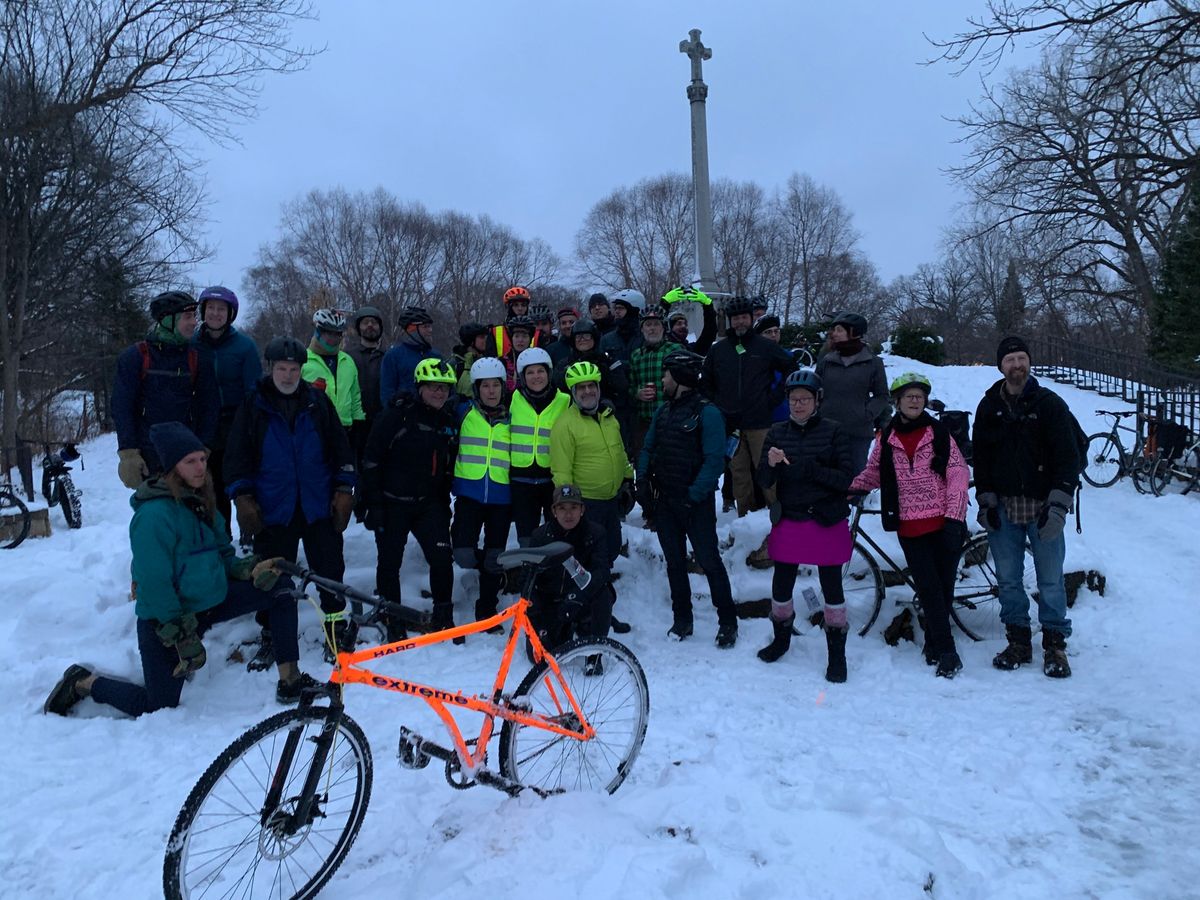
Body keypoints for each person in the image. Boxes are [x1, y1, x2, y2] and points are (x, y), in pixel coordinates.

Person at [43, 422, 312, 718]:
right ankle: (83, 682)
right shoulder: (154, 516)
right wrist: (180, 633)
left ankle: (290, 679)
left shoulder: (203, 501)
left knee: (281, 587)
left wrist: (248, 570)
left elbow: (223, 553)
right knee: (157, 706)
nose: (200, 468)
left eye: (202, 459)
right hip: (167, 620)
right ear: (172, 467)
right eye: (190, 461)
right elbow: (153, 583)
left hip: (212, 602)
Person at [225, 337, 358, 663]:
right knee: (272, 575)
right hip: (273, 508)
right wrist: (242, 495)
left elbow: (340, 448)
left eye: (293, 369)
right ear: (271, 369)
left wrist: (344, 488)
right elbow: (237, 455)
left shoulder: (317, 402)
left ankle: (334, 630)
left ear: (301, 369)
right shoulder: (253, 404)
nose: (287, 375)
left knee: (329, 571)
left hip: (317, 504)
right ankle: (272, 634)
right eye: (281, 369)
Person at [849, 373, 971, 677]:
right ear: (898, 402)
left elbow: (958, 472)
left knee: (943, 588)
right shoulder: (887, 438)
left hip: (945, 522)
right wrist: (849, 488)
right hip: (910, 526)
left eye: (919, 396)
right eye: (908, 396)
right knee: (930, 588)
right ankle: (947, 650)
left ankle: (935, 642)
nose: (914, 400)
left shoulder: (939, 432)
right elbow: (873, 473)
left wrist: (955, 516)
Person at [973, 336, 1081, 678]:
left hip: (1045, 506)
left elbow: (1069, 458)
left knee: (1050, 580)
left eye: (1021, 358)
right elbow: (982, 458)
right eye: (1010, 360)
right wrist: (986, 499)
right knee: (1008, 580)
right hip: (1004, 507)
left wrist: (1060, 505)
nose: (1017, 365)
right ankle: (1018, 639)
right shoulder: (989, 406)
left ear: (1028, 362)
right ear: (1001, 366)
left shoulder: (1050, 404)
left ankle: (1055, 646)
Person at [755, 369, 855, 683]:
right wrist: (769, 465)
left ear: (817, 401)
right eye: (794, 399)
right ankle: (781, 640)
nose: (798, 405)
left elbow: (845, 478)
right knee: (781, 586)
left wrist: (812, 469)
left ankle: (837, 656)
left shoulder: (835, 431)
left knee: (832, 588)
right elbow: (763, 480)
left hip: (825, 517)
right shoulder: (777, 432)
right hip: (791, 517)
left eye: (805, 399)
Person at [636, 349, 737, 647]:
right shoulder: (663, 411)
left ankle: (728, 622)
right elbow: (647, 448)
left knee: (710, 562)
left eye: (666, 374)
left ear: (680, 377)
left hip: (696, 504)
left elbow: (714, 461)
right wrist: (641, 479)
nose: (662, 379)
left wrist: (692, 496)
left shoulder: (708, 412)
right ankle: (682, 620)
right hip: (665, 501)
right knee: (674, 563)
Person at [361, 358, 459, 640]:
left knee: (442, 559)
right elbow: (371, 459)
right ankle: (393, 620)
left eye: (444, 388)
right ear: (420, 388)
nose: (439, 393)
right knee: (390, 562)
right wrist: (373, 503)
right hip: (392, 502)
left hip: (429, 504)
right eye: (433, 388)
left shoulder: (449, 421)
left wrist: (443, 504)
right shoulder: (396, 416)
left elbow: (447, 467)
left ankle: (444, 617)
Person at [702, 295, 797, 516]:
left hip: (760, 422)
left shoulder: (764, 346)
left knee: (768, 471)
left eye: (743, 317)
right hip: (731, 425)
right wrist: (716, 406)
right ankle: (746, 519)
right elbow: (705, 382)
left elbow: (790, 367)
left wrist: (773, 399)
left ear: (749, 318)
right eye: (735, 318)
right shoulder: (719, 350)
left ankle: (778, 516)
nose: (739, 322)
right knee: (739, 475)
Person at [112, 290, 219, 487]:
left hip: (188, 457)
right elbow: (122, 407)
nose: (194, 323)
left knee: (189, 515)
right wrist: (128, 454)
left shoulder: (198, 358)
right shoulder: (135, 357)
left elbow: (210, 406)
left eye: (194, 317)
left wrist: (203, 449)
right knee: (156, 514)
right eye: (187, 317)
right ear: (167, 320)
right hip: (149, 457)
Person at [550, 361, 634, 577]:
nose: (587, 391)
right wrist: (569, 506)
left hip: (611, 499)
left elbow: (619, 451)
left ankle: (601, 586)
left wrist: (628, 479)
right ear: (573, 392)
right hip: (586, 503)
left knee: (612, 547)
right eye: (581, 387)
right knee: (589, 554)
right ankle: (589, 596)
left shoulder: (608, 417)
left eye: (591, 386)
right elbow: (561, 470)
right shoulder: (565, 424)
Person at [192, 285, 261, 535]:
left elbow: (253, 390)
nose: (215, 314)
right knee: (213, 486)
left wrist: (250, 426)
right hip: (206, 427)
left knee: (241, 480)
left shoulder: (244, 346)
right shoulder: (193, 345)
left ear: (230, 314)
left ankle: (251, 531)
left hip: (237, 423)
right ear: (203, 311)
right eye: (211, 308)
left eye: (221, 309)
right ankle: (222, 537)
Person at [452, 357, 513, 631]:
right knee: (463, 553)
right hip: (469, 494)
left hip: (501, 497)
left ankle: (487, 610)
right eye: (485, 386)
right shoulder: (463, 412)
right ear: (476, 389)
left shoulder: (513, 420)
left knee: (494, 554)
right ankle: (497, 571)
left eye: (495, 386)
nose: (491, 391)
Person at [527, 484, 614, 654]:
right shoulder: (540, 536)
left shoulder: (596, 533)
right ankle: (561, 630)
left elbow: (602, 572)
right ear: (554, 510)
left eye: (574, 507)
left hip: (581, 599)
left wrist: (577, 597)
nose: (568, 514)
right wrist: (537, 617)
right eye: (562, 508)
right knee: (540, 656)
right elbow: (527, 579)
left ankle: (595, 652)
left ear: (582, 509)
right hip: (551, 602)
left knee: (604, 593)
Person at [815, 310, 890, 475]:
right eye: (833, 330)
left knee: (855, 478)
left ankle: (855, 501)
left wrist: (866, 414)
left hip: (858, 432)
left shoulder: (873, 362)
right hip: (827, 430)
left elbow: (882, 396)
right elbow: (815, 390)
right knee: (827, 475)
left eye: (839, 330)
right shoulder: (826, 360)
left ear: (853, 333)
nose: (833, 334)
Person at [508, 347, 571, 545]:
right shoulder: (511, 400)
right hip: (521, 481)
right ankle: (531, 572)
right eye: (530, 372)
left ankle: (556, 575)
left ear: (549, 373)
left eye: (541, 371)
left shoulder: (565, 400)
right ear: (522, 376)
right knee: (527, 539)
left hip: (552, 480)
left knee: (557, 537)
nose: (536, 377)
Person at [302, 308, 365, 437]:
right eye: (329, 333)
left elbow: (355, 397)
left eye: (338, 334)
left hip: (345, 430)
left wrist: (359, 423)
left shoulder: (347, 361)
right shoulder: (303, 360)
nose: (334, 338)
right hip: (314, 429)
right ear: (318, 332)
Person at [627, 304, 673, 463]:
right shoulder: (636, 355)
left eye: (656, 324)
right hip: (644, 424)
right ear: (642, 329)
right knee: (644, 466)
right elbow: (630, 386)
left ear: (663, 327)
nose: (652, 329)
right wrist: (637, 393)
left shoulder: (675, 350)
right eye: (648, 325)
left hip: (670, 423)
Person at [380, 306, 442, 405]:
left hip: (433, 415)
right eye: (425, 326)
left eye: (430, 326)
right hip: (403, 415)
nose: (430, 330)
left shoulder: (436, 356)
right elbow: (387, 392)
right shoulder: (393, 355)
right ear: (412, 329)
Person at [663, 286, 718, 355]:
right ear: (670, 328)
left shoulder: (692, 349)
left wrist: (708, 306)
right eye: (679, 323)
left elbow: (709, 334)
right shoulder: (662, 348)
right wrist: (664, 304)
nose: (683, 326)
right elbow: (655, 326)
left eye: (685, 324)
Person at [497, 315, 536, 392]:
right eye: (517, 336)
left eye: (524, 336)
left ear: (530, 339)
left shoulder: (536, 361)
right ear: (511, 338)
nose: (520, 340)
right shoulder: (502, 363)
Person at [453, 321, 491, 397]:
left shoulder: (487, 363)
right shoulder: (456, 364)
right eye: (481, 337)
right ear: (471, 341)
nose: (485, 341)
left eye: (485, 337)